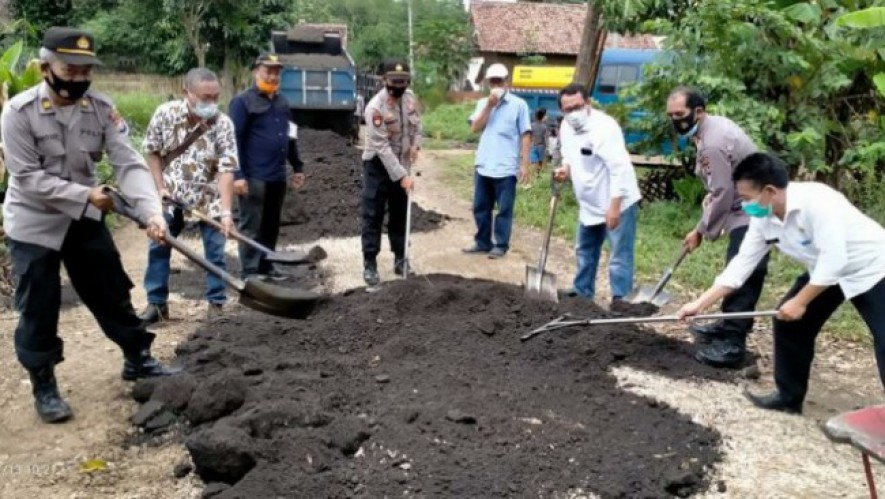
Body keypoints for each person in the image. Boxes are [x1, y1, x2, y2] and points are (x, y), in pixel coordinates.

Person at [1, 27, 179, 423]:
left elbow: (127, 162)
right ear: (45, 67)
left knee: (111, 289)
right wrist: (85, 195)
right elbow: (27, 177)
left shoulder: (100, 108)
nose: (79, 78)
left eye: (86, 71)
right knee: (39, 305)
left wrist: (152, 212)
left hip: (83, 216)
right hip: (34, 223)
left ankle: (138, 358)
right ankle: (44, 384)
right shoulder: (18, 113)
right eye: (71, 69)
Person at [678, 152, 885, 414]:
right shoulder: (763, 217)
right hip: (823, 269)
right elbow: (742, 265)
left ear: (770, 191)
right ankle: (789, 398)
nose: (744, 205)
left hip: (872, 266)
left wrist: (800, 302)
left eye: (746, 198)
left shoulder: (819, 203)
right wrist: (699, 304)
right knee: (789, 324)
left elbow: (835, 260)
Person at [666, 86, 768, 368]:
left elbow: (723, 191)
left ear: (698, 112)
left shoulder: (712, 141)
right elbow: (720, 185)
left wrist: (701, 231)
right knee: (737, 265)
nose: (676, 120)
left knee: (744, 270)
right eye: (671, 115)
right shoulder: (707, 131)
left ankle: (733, 344)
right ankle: (727, 325)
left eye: (681, 114)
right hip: (743, 203)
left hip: (757, 208)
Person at [138, 67, 238, 326]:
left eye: (216, 97)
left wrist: (226, 212)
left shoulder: (223, 124)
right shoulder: (166, 114)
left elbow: (227, 168)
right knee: (158, 245)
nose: (212, 103)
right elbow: (152, 151)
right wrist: (159, 188)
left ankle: (216, 303)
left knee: (215, 251)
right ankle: (157, 303)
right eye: (205, 97)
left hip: (208, 195)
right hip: (170, 193)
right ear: (187, 93)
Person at [554, 84, 642, 307]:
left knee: (619, 256)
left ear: (588, 103)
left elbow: (619, 168)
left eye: (577, 106)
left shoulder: (604, 128)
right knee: (585, 249)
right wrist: (566, 168)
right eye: (568, 109)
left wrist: (614, 207)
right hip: (590, 202)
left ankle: (620, 299)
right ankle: (582, 292)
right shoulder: (565, 126)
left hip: (618, 200)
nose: (573, 113)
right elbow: (569, 154)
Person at [229, 53, 306, 280]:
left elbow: (290, 137)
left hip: (277, 176)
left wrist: (298, 167)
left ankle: (266, 265)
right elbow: (233, 141)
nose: (273, 75)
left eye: (276, 71)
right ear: (255, 71)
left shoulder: (283, 102)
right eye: (268, 70)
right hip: (253, 176)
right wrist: (237, 175)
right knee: (252, 224)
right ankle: (250, 271)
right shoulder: (242, 102)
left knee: (271, 225)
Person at [360, 58, 421, 286]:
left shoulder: (410, 98)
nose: (399, 85)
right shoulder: (375, 107)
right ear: (384, 80)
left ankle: (400, 260)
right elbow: (382, 148)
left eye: (404, 80)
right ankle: (370, 264)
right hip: (378, 166)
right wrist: (402, 176)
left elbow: (417, 125)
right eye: (394, 80)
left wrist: (415, 144)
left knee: (400, 214)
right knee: (372, 215)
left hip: (402, 163)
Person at [463, 63, 531, 259]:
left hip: (506, 166)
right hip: (484, 163)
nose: (496, 85)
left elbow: (525, 135)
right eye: (492, 81)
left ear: (506, 82)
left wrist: (524, 164)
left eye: (499, 81)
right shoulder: (482, 103)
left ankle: (501, 244)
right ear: (488, 83)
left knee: (504, 209)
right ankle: (482, 242)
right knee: (480, 206)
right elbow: (475, 128)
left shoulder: (519, 105)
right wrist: (489, 106)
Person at [530, 107, 549, 176]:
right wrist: (547, 147)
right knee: (540, 160)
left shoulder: (532, 125)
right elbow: (545, 137)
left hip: (533, 145)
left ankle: (533, 172)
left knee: (533, 160)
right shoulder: (544, 126)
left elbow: (530, 135)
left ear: (535, 116)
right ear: (542, 117)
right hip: (541, 146)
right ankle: (538, 173)